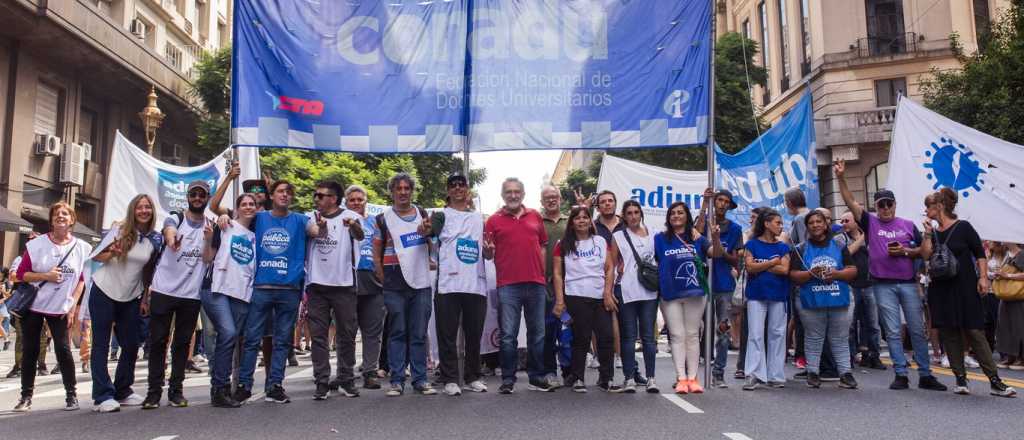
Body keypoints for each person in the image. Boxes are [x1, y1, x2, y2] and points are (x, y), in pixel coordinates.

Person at [834, 159, 947, 391]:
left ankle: (925, 374)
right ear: (876, 206)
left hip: (907, 283)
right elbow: (849, 201)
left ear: (895, 204)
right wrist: (841, 177)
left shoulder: (908, 224)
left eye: (889, 204)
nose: (885, 208)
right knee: (893, 331)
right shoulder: (870, 221)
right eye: (881, 204)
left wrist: (907, 250)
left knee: (917, 329)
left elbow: (924, 253)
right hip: (882, 285)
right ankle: (901, 373)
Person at [920, 189, 1015, 397]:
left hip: (964, 286)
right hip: (941, 288)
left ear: (940, 206)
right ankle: (960, 379)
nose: (926, 210)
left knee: (974, 331)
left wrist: (982, 277)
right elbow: (925, 255)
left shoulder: (964, 227)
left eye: (929, 206)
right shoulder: (932, 231)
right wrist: (927, 233)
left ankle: (994, 381)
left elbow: (979, 253)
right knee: (949, 332)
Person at [235, 180, 322, 404]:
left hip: (289, 289)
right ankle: (244, 385)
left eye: (289, 192)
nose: (285, 195)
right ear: (272, 196)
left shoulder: (301, 220)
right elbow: (235, 222)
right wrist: (225, 216)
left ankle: (275, 385)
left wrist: (322, 226)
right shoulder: (259, 218)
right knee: (252, 339)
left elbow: (316, 232)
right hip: (261, 287)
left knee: (283, 341)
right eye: (281, 191)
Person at [12, 202, 91, 412]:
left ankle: (71, 395)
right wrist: (45, 276)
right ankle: (26, 397)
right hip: (34, 306)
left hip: (61, 308)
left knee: (64, 351)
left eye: (65, 214)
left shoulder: (82, 248)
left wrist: (73, 304)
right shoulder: (37, 245)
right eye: (56, 214)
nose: (60, 217)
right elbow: (21, 275)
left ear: (72, 219)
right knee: (31, 351)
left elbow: (82, 278)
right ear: (51, 220)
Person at [142, 181, 213, 409]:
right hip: (164, 290)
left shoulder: (209, 226)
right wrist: (171, 239)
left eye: (202, 195)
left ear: (207, 198)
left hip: (191, 296)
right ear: (188, 197)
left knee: (182, 344)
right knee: (157, 342)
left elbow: (209, 257)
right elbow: (169, 229)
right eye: (194, 194)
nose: (197, 198)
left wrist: (210, 239)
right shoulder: (176, 217)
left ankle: (176, 391)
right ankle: (153, 393)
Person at [88, 194, 161, 413]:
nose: (144, 211)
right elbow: (96, 256)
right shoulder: (119, 230)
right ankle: (102, 395)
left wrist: (145, 297)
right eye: (139, 207)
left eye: (148, 207)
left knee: (131, 344)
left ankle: (122, 390)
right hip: (103, 291)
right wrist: (112, 252)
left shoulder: (154, 240)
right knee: (100, 344)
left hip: (131, 296)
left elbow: (148, 272)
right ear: (133, 210)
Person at [483, 177, 555, 394]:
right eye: (508, 192)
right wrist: (488, 251)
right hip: (508, 285)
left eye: (517, 192)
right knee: (508, 335)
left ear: (523, 194)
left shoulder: (535, 216)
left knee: (538, 334)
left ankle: (536, 377)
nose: (513, 195)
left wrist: (542, 272)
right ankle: (507, 379)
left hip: (536, 284)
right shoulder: (493, 221)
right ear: (502, 195)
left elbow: (542, 246)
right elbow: (488, 253)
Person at [373, 173, 436, 396]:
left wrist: (429, 233)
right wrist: (382, 277)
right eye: (398, 188)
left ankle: (420, 379)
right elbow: (376, 251)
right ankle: (397, 380)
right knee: (397, 331)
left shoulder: (423, 214)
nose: (402, 192)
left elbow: (433, 245)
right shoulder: (382, 218)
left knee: (418, 333)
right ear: (392, 192)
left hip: (420, 282)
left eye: (406, 188)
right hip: (394, 283)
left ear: (411, 191)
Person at [426, 173, 489, 396]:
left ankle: (473, 377)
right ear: (448, 190)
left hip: (475, 284)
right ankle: (450, 378)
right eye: (453, 185)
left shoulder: (479, 217)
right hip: (448, 284)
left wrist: (489, 251)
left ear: (467, 189)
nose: (457, 188)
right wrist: (425, 228)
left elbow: (488, 250)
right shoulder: (441, 215)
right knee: (447, 335)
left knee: (474, 335)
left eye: (461, 184)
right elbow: (427, 232)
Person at [305, 180, 364, 400]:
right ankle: (321, 381)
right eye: (316, 195)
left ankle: (346, 379)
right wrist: (320, 228)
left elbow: (360, 236)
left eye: (321, 195)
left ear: (333, 198)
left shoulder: (350, 216)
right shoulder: (312, 216)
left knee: (346, 335)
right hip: (317, 285)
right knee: (319, 337)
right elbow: (313, 232)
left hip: (344, 285)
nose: (316, 199)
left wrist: (354, 226)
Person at [552, 206, 619, 393]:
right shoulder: (562, 244)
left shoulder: (600, 241)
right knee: (581, 338)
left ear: (591, 221)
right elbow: (557, 274)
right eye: (577, 218)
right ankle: (578, 378)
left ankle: (606, 378)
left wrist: (607, 293)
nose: (581, 221)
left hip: (599, 296)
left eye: (585, 217)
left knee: (606, 337)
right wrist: (560, 300)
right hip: (575, 296)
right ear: (572, 223)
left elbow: (609, 268)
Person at [788, 210, 859, 389]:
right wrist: (811, 274)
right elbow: (793, 275)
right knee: (814, 336)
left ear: (826, 224)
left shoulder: (839, 244)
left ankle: (845, 373)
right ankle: (813, 372)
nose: (815, 225)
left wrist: (836, 273)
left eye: (819, 221)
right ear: (807, 226)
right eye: (811, 223)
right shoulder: (800, 248)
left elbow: (852, 270)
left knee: (840, 337)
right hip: (811, 299)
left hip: (838, 296)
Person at [655, 201, 720, 394]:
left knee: (692, 335)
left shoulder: (697, 238)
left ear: (686, 216)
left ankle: (693, 378)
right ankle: (681, 378)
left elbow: (715, 254)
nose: (676, 216)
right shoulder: (659, 239)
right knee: (676, 335)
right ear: (668, 217)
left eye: (680, 213)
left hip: (695, 293)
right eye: (672, 213)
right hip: (670, 293)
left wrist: (715, 238)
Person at [201, 193, 258, 408]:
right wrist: (208, 238)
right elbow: (207, 258)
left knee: (230, 340)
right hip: (216, 289)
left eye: (252, 204)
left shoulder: (256, 235)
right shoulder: (225, 225)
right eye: (244, 204)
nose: (248, 207)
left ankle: (223, 387)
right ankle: (219, 389)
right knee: (228, 333)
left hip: (241, 292)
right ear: (237, 208)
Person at [696, 188, 744, 388]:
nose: (722, 204)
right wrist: (704, 204)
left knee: (722, 329)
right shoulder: (705, 222)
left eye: (726, 201)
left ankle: (718, 373)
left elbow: (736, 260)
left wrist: (719, 249)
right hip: (702, 283)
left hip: (724, 285)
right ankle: (692, 373)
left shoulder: (734, 229)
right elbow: (696, 234)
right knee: (698, 329)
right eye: (719, 200)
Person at [612, 200, 659, 393]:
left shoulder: (654, 234)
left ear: (641, 214)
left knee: (649, 337)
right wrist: (610, 288)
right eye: (629, 213)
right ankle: (629, 378)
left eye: (636, 212)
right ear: (624, 216)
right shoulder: (618, 236)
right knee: (628, 336)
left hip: (649, 291)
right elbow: (611, 264)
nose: (633, 216)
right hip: (627, 289)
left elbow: (660, 259)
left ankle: (651, 378)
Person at [742, 209, 790, 391]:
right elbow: (749, 268)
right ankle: (753, 374)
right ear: (767, 224)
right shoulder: (752, 244)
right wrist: (771, 263)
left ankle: (775, 374)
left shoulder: (783, 247)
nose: (781, 226)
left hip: (778, 294)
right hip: (756, 294)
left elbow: (784, 270)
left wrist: (760, 265)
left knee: (777, 334)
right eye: (778, 223)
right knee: (755, 333)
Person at [345, 185, 386, 388]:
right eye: (352, 200)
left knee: (372, 332)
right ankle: (345, 374)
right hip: (347, 281)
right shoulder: (340, 221)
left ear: (366, 201)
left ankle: (370, 371)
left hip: (373, 281)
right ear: (346, 202)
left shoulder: (376, 222)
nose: (356, 203)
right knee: (347, 332)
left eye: (360, 199)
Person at [840, 211, 884, 370]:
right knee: (850, 325)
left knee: (872, 324)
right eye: (842, 220)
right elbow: (846, 253)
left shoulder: (872, 236)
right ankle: (850, 357)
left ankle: (873, 356)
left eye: (847, 220)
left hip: (870, 284)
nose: (843, 223)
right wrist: (862, 238)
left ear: (856, 222)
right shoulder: (841, 238)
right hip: (851, 286)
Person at [540, 185, 568, 387]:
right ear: (541, 201)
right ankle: (550, 371)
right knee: (548, 331)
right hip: (544, 285)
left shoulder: (572, 221)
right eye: (547, 198)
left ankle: (570, 371)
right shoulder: (536, 222)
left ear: (560, 199)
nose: (551, 200)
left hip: (571, 285)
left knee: (568, 331)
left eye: (554, 197)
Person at [995, 243, 1024, 369]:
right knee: (1005, 325)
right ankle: (1010, 355)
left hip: (1019, 295)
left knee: (1019, 325)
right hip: (1006, 294)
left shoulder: (1022, 254)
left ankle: (1020, 357)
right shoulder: (1007, 254)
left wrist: (1008, 275)